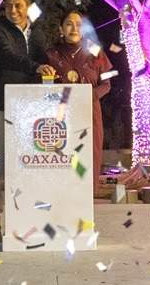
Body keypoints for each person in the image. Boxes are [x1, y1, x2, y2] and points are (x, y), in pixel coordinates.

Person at [0, 0, 54, 243]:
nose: (13, 11)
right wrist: (37, 67)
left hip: (27, 112)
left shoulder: (36, 33)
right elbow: (6, 57)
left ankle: (27, 220)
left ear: (26, 7)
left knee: (26, 169)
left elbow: (49, 59)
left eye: (18, 6)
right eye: (9, 6)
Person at [46, 10, 113, 196]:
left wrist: (89, 96)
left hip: (89, 113)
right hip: (61, 117)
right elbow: (44, 86)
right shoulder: (52, 53)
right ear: (61, 29)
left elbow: (107, 84)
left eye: (78, 24)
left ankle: (86, 208)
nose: (74, 28)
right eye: (69, 23)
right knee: (62, 158)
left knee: (88, 158)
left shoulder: (95, 50)